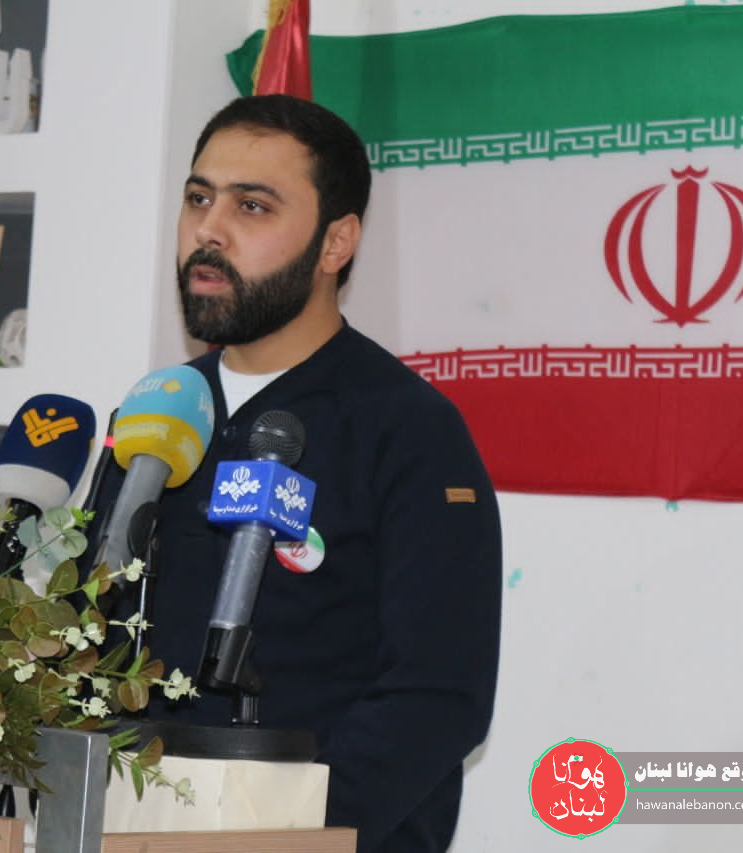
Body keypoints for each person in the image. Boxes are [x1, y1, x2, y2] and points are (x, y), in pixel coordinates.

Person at [89, 95, 502, 852]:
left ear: (336, 241)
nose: (209, 230)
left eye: (252, 206)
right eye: (198, 198)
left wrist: (283, 836)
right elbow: (87, 630)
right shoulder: (156, 412)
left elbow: (438, 696)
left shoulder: (409, 429)